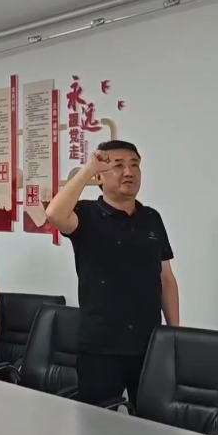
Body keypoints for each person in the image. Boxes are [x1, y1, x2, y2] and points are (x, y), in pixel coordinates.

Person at [44, 140, 180, 406]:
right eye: (118, 166)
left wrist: (175, 334)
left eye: (134, 165)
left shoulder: (151, 218)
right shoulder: (86, 214)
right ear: (100, 176)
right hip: (100, 345)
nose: (129, 172)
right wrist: (89, 169)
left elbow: (166, 278)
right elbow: (54, 214)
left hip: (149, 342)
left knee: (152, 420)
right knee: (98, 422)